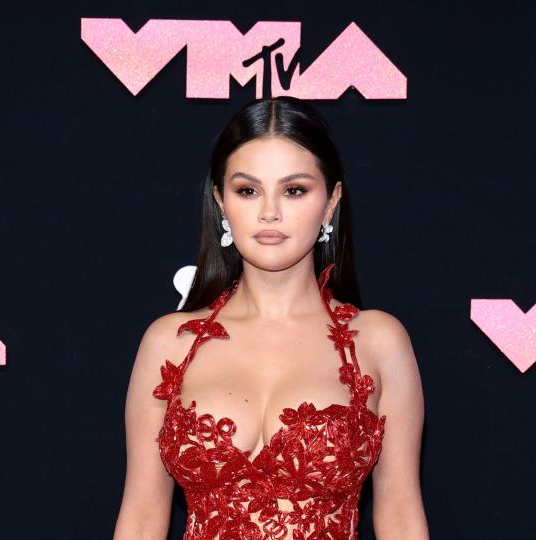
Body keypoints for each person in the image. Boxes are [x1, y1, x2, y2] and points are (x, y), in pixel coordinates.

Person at [114, 96, 428, 539]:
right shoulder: (170, 343)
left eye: (294, 189)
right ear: (221, 201)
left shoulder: (376, 342)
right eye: (248, 190)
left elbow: (400, 515)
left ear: (332, 200)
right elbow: (142, 517)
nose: (270, 212)